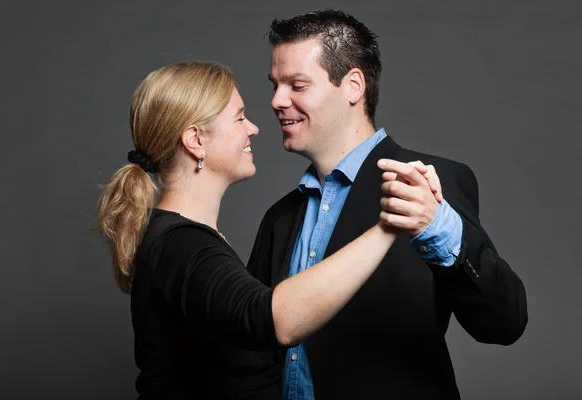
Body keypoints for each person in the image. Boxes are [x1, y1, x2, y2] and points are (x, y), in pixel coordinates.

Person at [96, 61, 441, 399]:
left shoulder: (182, 239)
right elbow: (276, 320)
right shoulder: (183, 245)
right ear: (195, 140)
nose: (253, 128)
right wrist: (390, 224)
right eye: (239, 117)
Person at [244, 9, 528, 400]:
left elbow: (504, 323)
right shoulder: (279, 218)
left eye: (297, 85)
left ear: (353, 86)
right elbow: (250, 350)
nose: (277, 100)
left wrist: (439, 227)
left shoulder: (428, 186)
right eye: (275, 85)